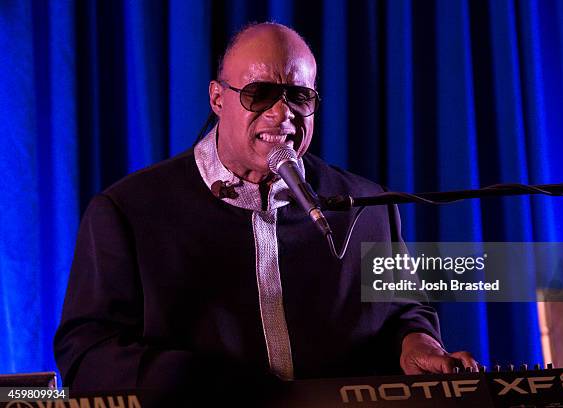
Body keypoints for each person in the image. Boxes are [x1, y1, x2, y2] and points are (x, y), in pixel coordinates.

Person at [54, 22, 477, 403]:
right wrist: (206, 382)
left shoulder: (365, 206)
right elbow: (88, 354)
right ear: (218, 99)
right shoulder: (128, 212)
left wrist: (417, 343)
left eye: (299, 95)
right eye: (260, 94)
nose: (282, 113)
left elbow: (404, 311)